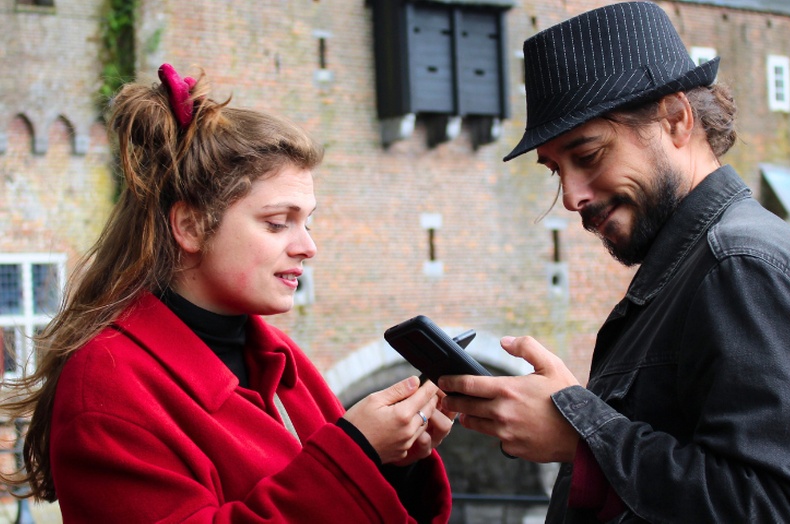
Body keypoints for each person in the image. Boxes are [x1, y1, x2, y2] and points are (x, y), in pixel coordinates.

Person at [439, 2, 790, 523]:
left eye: (588, 155)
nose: (571, 197)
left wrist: (585, 437)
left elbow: (782, 510)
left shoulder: (741, 267)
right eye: (555, 171)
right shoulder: (696, 266)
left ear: (677, 119)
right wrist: (577, 412)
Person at [0, 64, 453, 522]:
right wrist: (354, 454)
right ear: (191, 225)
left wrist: (395, 465)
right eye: (278, 223)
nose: (308, 247)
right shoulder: (107, 383)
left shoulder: (279, 356)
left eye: (307, 222)